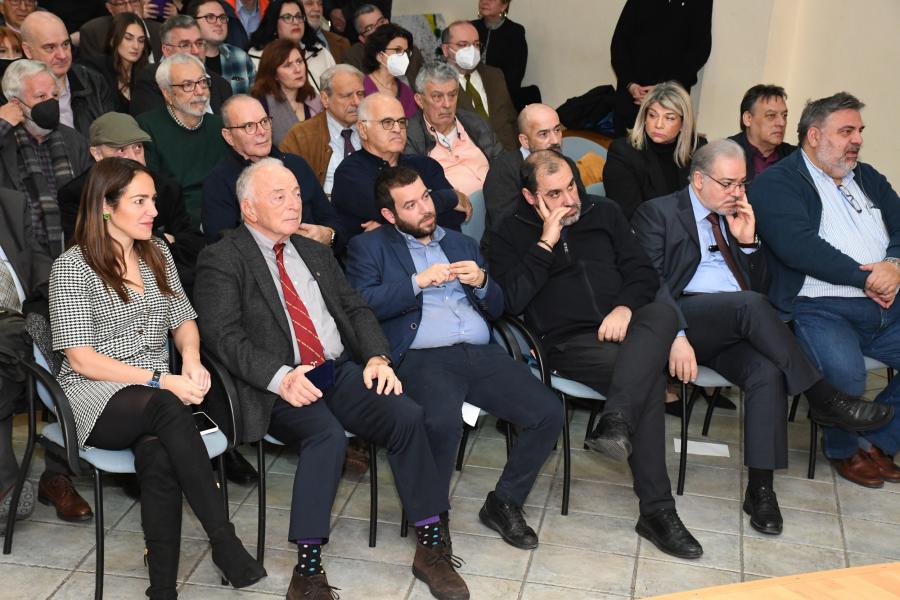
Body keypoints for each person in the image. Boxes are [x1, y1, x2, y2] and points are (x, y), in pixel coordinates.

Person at [194, 157, 470, 600]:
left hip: (335, 371)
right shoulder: (223, 258)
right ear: (249, 209)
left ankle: (430, 545)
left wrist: (377, 356)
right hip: (276, 386)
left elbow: (356, 308)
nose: (294, 204)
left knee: (406, 415)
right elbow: (222, 336)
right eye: (279, 197)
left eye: (296, 194)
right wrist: (281, 377)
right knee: (326, 437)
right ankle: (307, 572)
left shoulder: (314, 251)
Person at [632, 139, 894, 535]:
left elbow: (763, 286)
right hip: (684, 318)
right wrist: (676, 335)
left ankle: (761, 490)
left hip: (738, 323)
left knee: (766, 373)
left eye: (742, 183)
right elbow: (649, 284)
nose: (737, 193)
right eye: (727, 184)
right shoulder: (659, 212)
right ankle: (823, 397)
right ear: (699, 180)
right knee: (750, 305)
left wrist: (748, 244)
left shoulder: (738, 216)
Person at [49, 157, 265, 599]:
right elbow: (82, 360)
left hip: (155, 400)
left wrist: (192, 359)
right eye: (140, 201)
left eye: (152, 200)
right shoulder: (72, 267)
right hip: (96, 397)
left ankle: (162, 590)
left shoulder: (156, 253)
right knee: (166, 406)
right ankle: (224, 541)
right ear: (105, 206)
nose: (154, 211)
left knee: (159, 456)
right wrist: (161, 380)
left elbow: (183, 319)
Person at [490, 149, 703, 559]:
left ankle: (617, 420)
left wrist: (624, 307)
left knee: (661, 313)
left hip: (626, 329)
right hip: (566, 342)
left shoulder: (604, 212)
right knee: (647, 380)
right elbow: (509, 301)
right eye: (554, 194)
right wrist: (545, 244)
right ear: (531, 197)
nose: (570, 200)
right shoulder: (507, 232)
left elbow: (642, 273)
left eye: (571, 186)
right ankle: (657, 510)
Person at [346, 165, 563, 550]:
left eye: (426, 197)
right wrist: (417, 282)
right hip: (423, 356)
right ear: (389, 215)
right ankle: (433, 516)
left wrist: (481, 283)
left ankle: (504, 502)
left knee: (548, 412)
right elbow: (361, 304)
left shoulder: (461, 243)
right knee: (440, 423)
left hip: (480, 352)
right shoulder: (370, 247)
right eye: (410, 205)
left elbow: (498, 308)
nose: (425, 209)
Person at [751, 92, 900, 489]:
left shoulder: (866, 176)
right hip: (820, 306)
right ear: (814, 135)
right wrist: (867, 278)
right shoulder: (777, 182)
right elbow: (799, 247)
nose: (858, 140)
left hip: (887, 303)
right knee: (846, 377)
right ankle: (844, 450)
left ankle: (878, 441)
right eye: (846, 131)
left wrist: (894, 265)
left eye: (859, 131)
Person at [0, 188, 94, 532]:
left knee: (66, 336)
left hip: (28, 312)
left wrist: (62, 293)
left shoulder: (11, 202)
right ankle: (24, 480)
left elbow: (39, 259)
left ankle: (44, 478)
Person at [58, 112, 205, 292]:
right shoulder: (78, 194)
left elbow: (191, 245)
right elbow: (89, 248)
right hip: (105, 283)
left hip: (166, 278)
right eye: (121, 151)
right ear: (97, 154)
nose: (134, 158)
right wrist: (161, 238)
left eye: (138, 148)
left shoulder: (166, 188)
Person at [202, 94, 342, 248]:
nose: (262, 131)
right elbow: (222, 245)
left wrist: (328, 235)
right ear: (228, 136)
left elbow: (333, 221)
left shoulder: (296, 165)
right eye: (249, 126)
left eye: (264, 121)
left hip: (315, 257)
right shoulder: (219, 182)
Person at [331, 92, 470, 242]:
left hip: (443, 251)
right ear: (363, 130)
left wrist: (389, 228)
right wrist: (449, 197)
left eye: (402, 122)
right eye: (387, 122)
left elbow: (455, 217)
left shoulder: (426, 165)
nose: (397, 129)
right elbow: (396, 213)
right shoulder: (350, 174)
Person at [0, 60, 92, 258]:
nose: (51, 103)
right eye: (41, 96)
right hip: (19, 255)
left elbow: (94, 198)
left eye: (54, 95)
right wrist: (2, 124)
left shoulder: (74, 141)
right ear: (15, 103)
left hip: (74, 252)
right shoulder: (5, 141)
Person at [136, 53, 229, 227]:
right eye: (187, 85)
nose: (200, 91)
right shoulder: (146, 127)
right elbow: (156, 191)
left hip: (223, 216)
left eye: (202, 82)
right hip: (177, 222)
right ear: (167, 93)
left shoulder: (220, 126)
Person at [482, 103, 585, 250]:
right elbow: (505, 229)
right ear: (524, 140)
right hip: (516, 252)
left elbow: (581, 209)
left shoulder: (566, 164)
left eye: (557, 130)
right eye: (544, 134)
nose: (555, 140)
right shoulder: (503, 171)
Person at [604, 81, 704, 221]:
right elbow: (631, 216)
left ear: (683, 124)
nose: (658, 124)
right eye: (652, 115)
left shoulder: (697, 149)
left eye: (669, 118)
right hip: (647, 230)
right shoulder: (623, 153)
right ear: (644, 117)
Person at [610, 0, 712, 137]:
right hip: (631, 94)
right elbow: (619, 42)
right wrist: (630, 83)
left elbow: (700, 51)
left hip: (671, 96)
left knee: (665, 146)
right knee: (624, 145)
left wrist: (664, 88)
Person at [405, 60, 501, 196]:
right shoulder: (411, 136)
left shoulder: (475, 123)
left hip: (498, 200)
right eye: (437, 97)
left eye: (452, 95)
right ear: (420, 100)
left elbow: (502, 163)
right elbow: (415, 189)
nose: (447, 104)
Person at [20, 11, 117, 139]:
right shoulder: (14, 93)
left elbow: (115, 136)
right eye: (50, 48)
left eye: (65, 44)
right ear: (28, 50)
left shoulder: (93, 81)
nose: (62, 55)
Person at [278, 63, 363, 193]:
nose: (356, 102)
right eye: (347, 95)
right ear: (325, 99)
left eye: (360, 94)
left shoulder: (374, 128)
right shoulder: (301, 136)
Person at [130, 14, 234, 117]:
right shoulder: (152, 78)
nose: (196, 51)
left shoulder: (221, 86)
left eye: (199, 43)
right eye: (185, 45)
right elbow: (155, 124)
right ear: (167, 50)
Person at [440, 20, 517, 150]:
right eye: (463, 45)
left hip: (508, 153)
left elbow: (511, 118)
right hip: (467, 156)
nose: (472, 50)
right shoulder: (437, 83)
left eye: (476, 44)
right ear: (446, 50)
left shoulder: (495, 75)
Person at [248, 0, 335, 93]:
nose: (296, 22)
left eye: (299, 16)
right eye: (287, 17)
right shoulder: (258, 58)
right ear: (274, 23)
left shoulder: (320, 51)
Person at [250, 38, 322, 147]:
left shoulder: (315, 101)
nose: (298, 69)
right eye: (288, 65)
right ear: (274, 74)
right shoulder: (261, 104)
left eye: (299, 61)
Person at [79, 12, 151, 113]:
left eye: (141, 40)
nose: (136, 46)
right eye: (128, 38)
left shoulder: (146, 74)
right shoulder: (97, 69)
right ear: (113, 40)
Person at [471, 0, 536, 110]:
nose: (484, 2)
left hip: (499, 100)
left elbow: (514, 78)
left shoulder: (515, 32)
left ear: (504, 5)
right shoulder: (471, 28)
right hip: (469, 93)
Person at [341, 3, 424, 89]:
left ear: (388, 22)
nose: (379, 29)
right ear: (362, 39)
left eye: (381, 22)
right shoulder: (353, 57)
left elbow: (424, 87)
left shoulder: (409, 49)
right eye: (369, 28)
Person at [729, 84, 796, 183]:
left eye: (784, 115)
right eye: (771, 115)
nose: (781, 123)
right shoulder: (725, 153)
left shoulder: (794, 157)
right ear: (748, 118)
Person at [187, 0, 256, 94]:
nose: (219, 23)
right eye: (210, 17)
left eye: (222, 18)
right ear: (193, 23)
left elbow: (255, 98)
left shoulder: (240, 58)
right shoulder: (182, 59)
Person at [360, 22, 416, 117]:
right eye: (398, 50)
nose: (404, 56)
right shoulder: (362, 87)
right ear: (380, 56)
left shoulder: (406, 92)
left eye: (406, 52)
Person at [79, 0, 164, 62]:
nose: (130, 9)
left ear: (142, 2)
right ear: (109, 8)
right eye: (121, 3)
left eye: (134, 1)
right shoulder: (94, 32)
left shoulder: (162, 30)